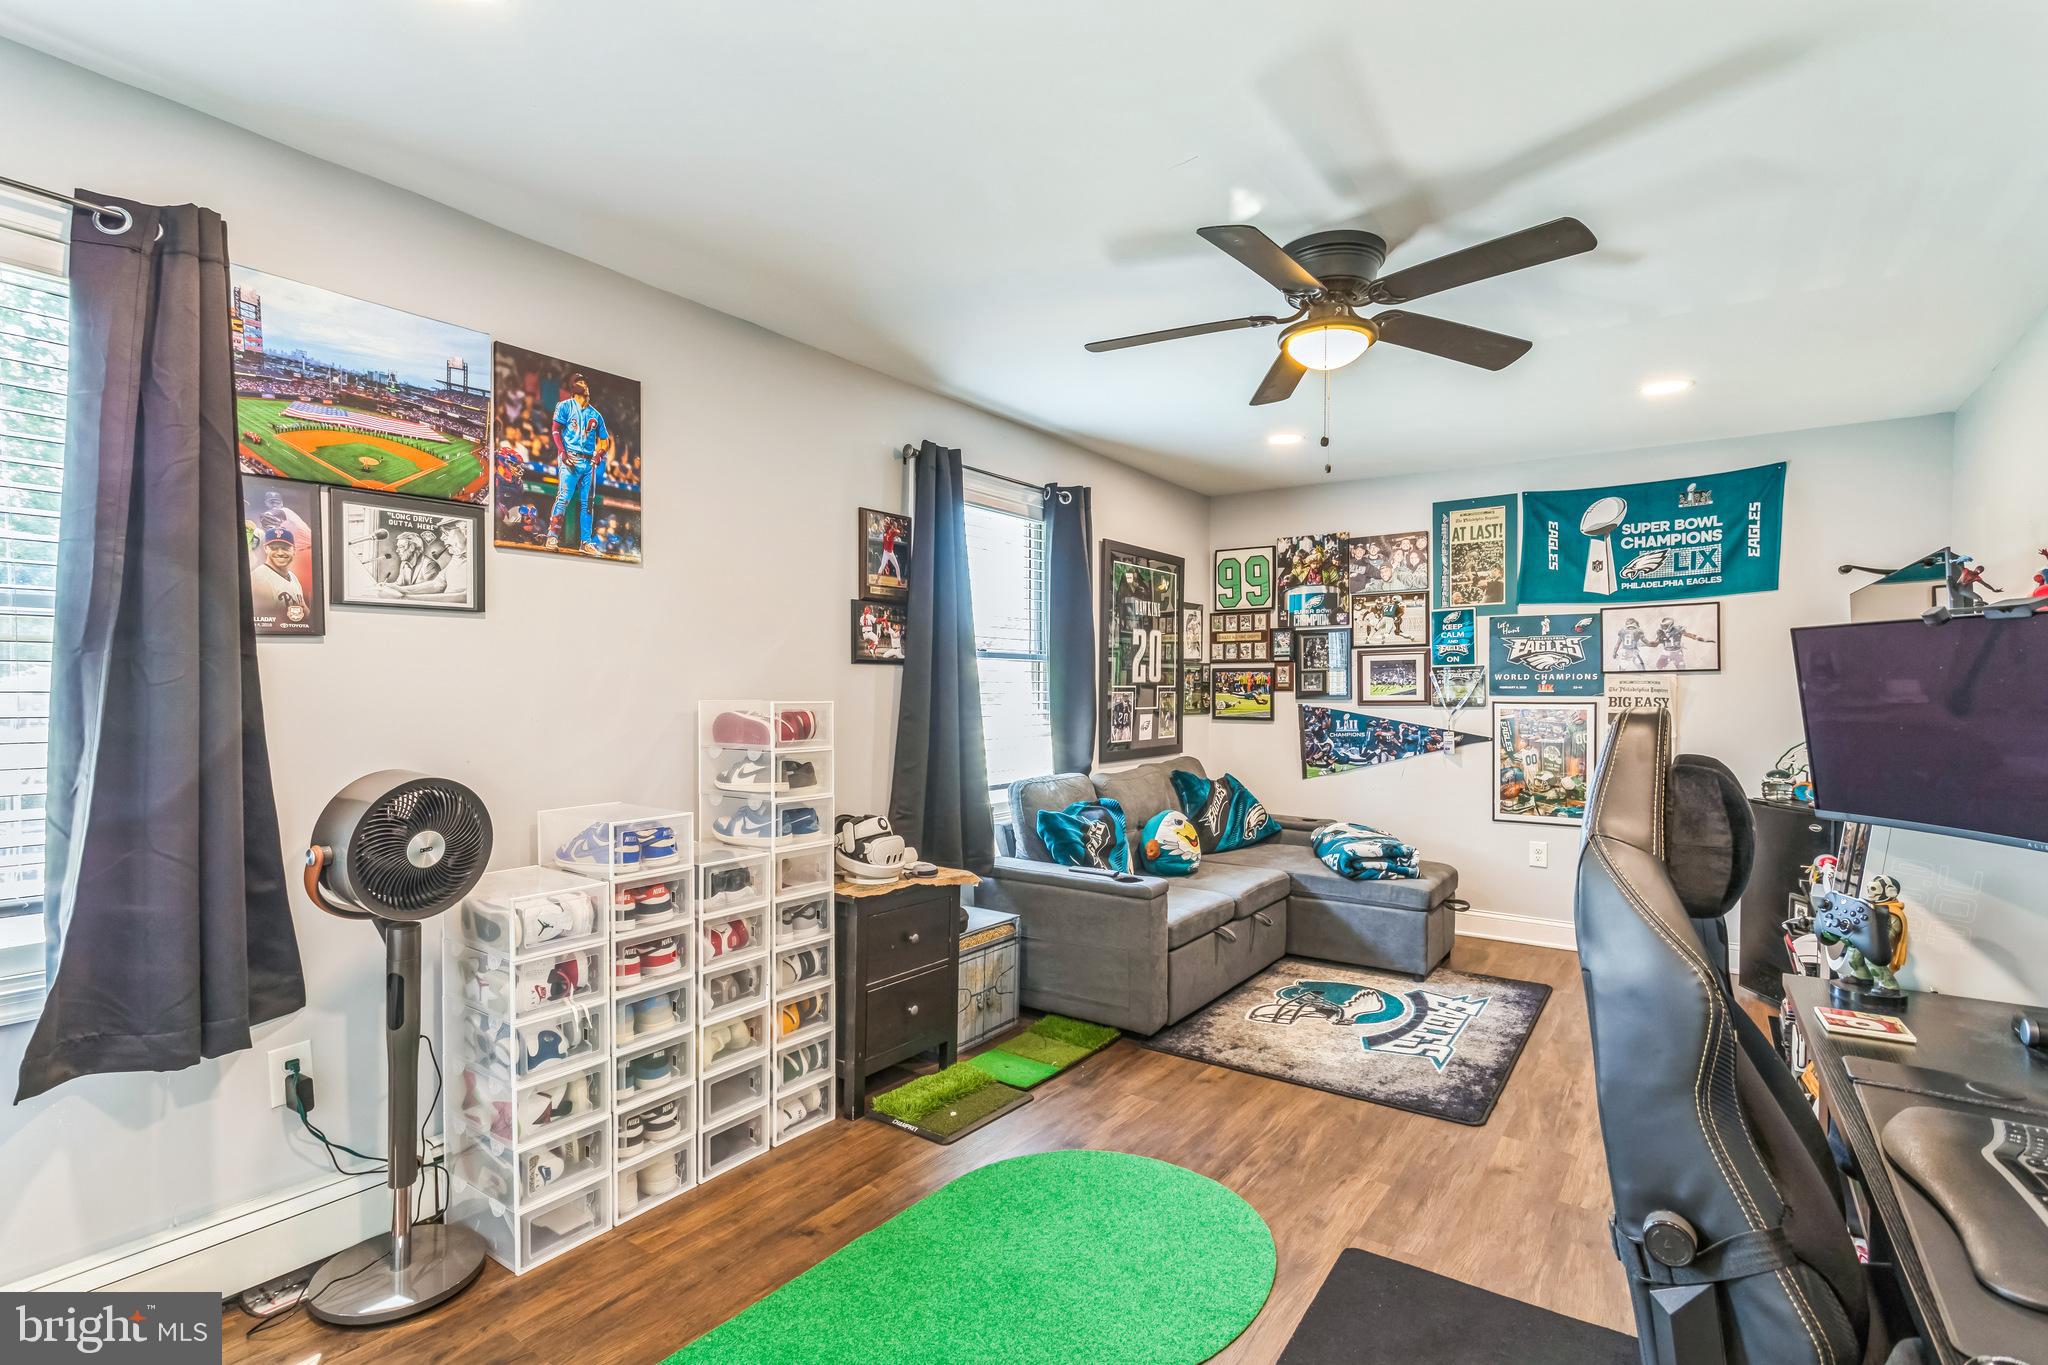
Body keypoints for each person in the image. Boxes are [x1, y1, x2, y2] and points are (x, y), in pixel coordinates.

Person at [546, 372, 612, 555]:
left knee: (588, 503)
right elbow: (555, 430)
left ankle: (586, 542)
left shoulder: (596, 414)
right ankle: (552, 536)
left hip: (588, 461)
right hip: (571, 457)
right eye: (579, 382)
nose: (584, 384)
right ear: (572, 388)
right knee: (564, 496)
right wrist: (562, 451)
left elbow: (605, 441)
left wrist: (599, 454)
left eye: (585, 381)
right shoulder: (564, 406)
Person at [250, 526, 307, 625]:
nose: (280, 553)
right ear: (266, 549)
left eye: (285, 548)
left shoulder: (292, 577)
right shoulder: (259, 580)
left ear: (294, 550)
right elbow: (267, 625)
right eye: (274, 548)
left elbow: (305, 613)